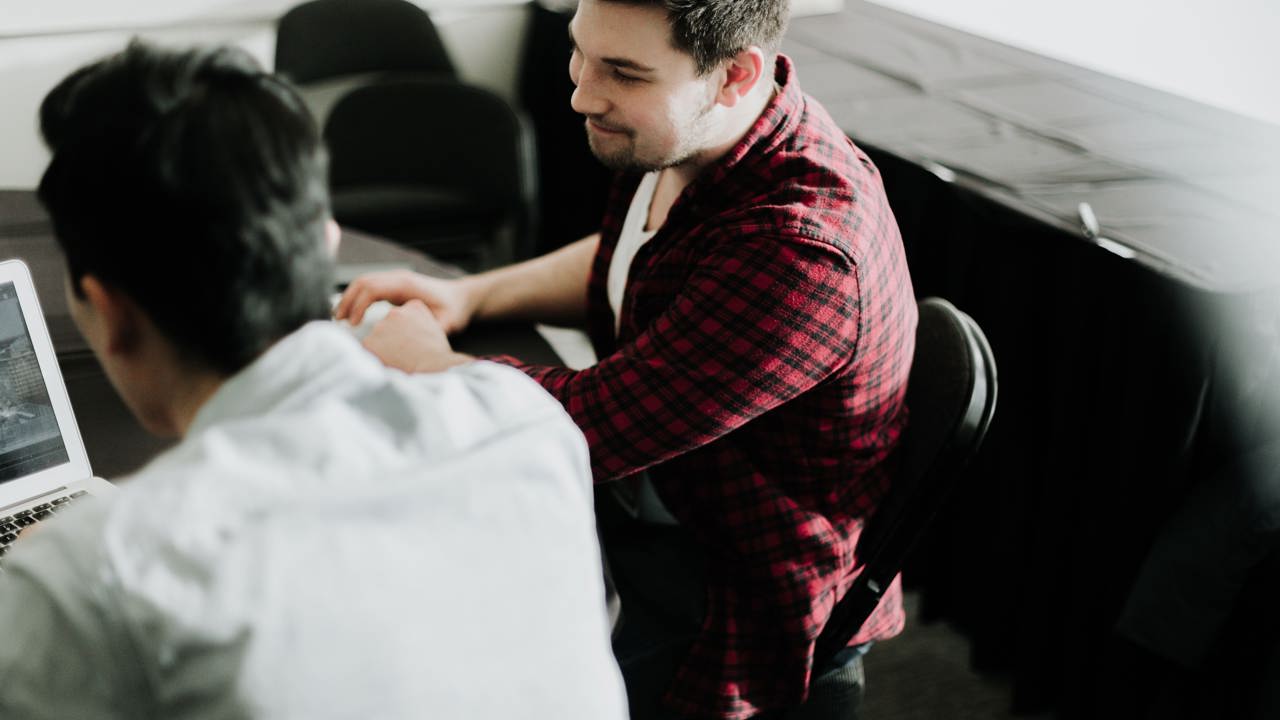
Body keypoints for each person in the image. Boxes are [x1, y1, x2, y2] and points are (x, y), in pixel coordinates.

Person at [0, 41, 627, 719]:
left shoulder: (98, 574)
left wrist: (56, 575)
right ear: (326, 245)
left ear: (112, 313)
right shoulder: (525, 424)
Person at [336, 0, 917, 717]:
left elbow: (588, 431)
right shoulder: (700, 132)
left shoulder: (803, 254)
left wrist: (427, 360)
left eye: (623, 72)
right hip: (665, 507)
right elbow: (631, 258)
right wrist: (472, 298)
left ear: (735, 75)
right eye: (581, 52)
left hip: (731, 604)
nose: (581, 92)